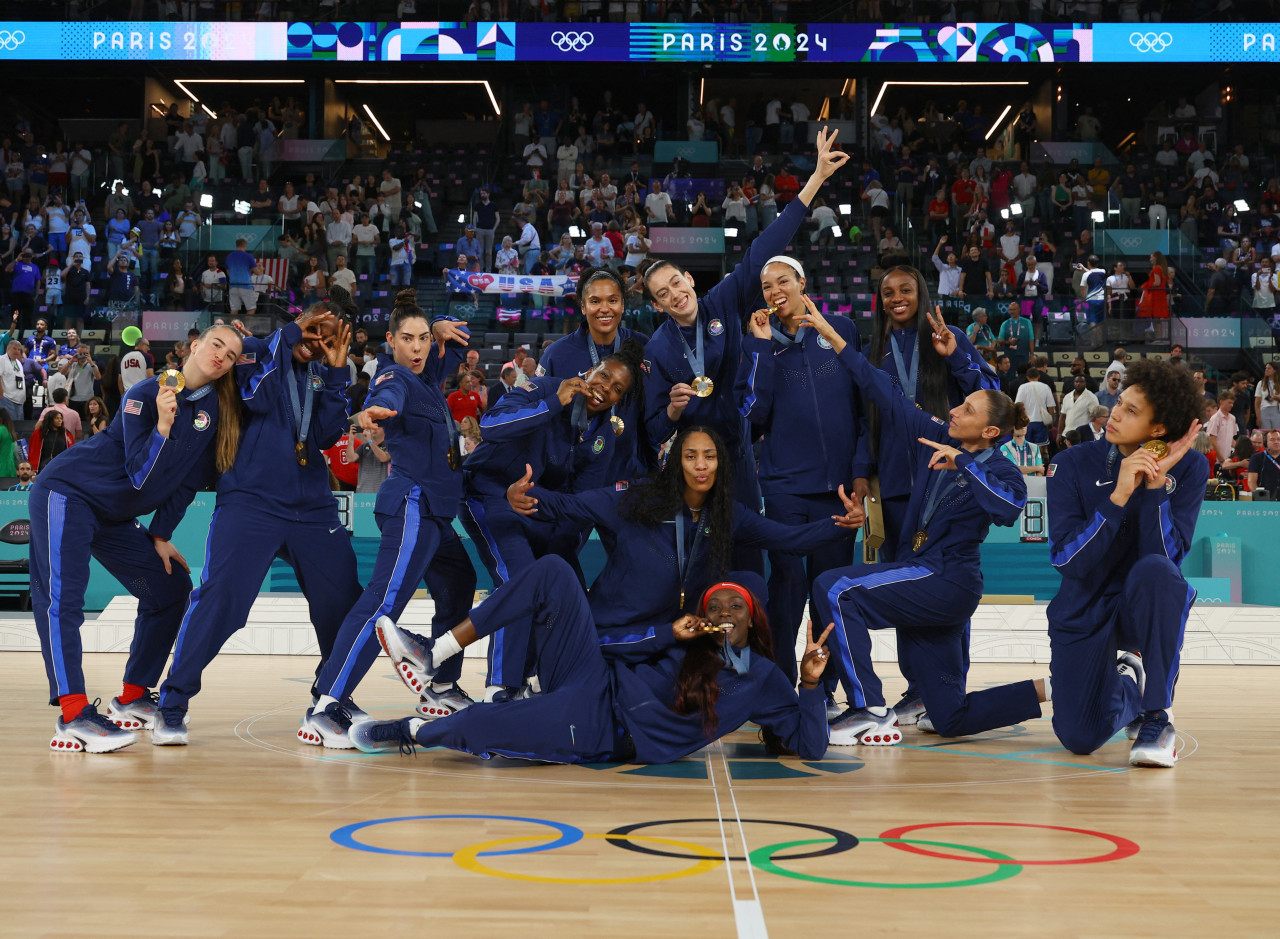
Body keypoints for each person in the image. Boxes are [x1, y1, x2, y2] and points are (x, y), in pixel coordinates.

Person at [801, 299, 1043, 744]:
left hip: (947, 578)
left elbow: (1008, 510)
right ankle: (1053, 689)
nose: (954, 411)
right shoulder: (933, 437)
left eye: (967, 410)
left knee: (834, 588)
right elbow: (883, 392)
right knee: (949, 717)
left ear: (990, 432)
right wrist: (833, 338)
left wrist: (965, 464)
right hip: (932, 583)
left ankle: (869, 709)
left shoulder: (1001, 469)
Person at [354, 556, 834, 764]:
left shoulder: (764, 676)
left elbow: (810, 747)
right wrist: (667, 632)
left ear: (753, 618)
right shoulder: (684, 638)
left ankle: (410, 732)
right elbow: (605, 644)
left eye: (736, 607)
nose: (723, 613)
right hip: (591, 676)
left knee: (484, 723)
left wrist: (811, 685)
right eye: (715, 605)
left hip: (604, 727)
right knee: (552, 572)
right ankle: (435, 653)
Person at [640, 126, 850, 573]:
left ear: (690, 280)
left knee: (752, 563)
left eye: (676, 282)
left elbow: (765, 247)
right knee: (697, 564)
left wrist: (814, 180)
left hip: (737, 458)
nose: (674, 294)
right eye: (663, 294)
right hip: (694, 463)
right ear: (657, 305)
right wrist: (675, 411)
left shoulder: (723, 301)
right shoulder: (659, 349)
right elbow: (654, 428)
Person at [154, 307, 365, 743]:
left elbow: (325, 434)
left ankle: (332, 695)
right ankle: (172, 702)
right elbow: (258, 397)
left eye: (326, 337)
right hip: (252, 502)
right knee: (223, 601)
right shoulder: (252, 351)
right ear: (299, 323)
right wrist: (286, 340)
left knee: (342, 601)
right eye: (312, 329)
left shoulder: (322, 373)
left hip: (313, 507)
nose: (316, 340)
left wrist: (340, 370)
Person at [29, 325, 242, 753]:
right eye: (216, 344)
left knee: (169, 586)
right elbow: (139, 473)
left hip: (114, 515)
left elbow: (185, 483)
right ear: (194, 346)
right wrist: (163, 427)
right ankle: (72, 714)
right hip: (67, 494)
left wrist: (161, 534)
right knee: (62, 600)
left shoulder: (211, 413)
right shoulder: (145, 394)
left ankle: (131, 697)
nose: (222, 356)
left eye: (233, 355)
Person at [505, 425, 862, 655]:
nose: (701, 466)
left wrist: (842, 525)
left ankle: (731, 668)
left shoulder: (727, 513)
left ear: (721, 465)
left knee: (750, 583)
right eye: (691, 457)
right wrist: (527, 496)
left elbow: (789, 539)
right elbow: (573, 506)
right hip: (616, 629)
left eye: (709, 457)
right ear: (677, 464)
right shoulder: (637, 499)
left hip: (674, 632)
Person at [300, 292, 478, 746]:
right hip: (412, 506)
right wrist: (376, 406)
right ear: (390, 341)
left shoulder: (427, 379)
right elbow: (389, 388)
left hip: (436, 513)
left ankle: (439, 687)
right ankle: (326, 705)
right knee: (384, 602)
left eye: (422, 339)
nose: (417, 347)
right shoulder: (396, 375)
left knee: (459, 580)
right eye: (407, 339)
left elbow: (448, 351)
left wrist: (438, 325)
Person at [460, 341, 647, 699]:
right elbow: (493, 425)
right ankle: (501, 687)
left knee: (566, 588)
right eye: (604, 376)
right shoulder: (543, 387)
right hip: (487, 492)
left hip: (533, 507)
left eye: (617, 388)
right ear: (589, 372)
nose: (606, 387)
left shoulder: (603, 436)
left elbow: (580, 505)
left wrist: (558, 538)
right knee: (519, 579)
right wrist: (553, 404)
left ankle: (538, 679)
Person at [1045, 360, 1207, 767]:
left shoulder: (1189, 467)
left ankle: (1157, 716)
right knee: (1079, 737)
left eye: (1131, 411)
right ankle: (1128, 690)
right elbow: (1067, 561)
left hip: (1141, 602)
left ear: (1157, 430)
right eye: (1120, 402)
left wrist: (1154, 488)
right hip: (1084, 604)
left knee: (1158, 573)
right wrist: (1117, 497)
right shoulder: (1071, 463)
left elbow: (1168, 560)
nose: (1115, 413)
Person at [736, 257, 867, 694]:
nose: (775, 291)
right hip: (785, 488)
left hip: (839, 492)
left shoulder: (841, 330)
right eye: (767, 285)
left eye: (783, 281)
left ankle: (823, 689)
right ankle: (776, 686)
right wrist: (757, 349)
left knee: (829, 594)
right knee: (787, 591)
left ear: (802, 282)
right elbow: (753, 415)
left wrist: (862, 472)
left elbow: (863, 404)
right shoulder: (758, 342)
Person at [537, 267, 652, 483]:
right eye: (595, 301)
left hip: (628, 477)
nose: (605, 309)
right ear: (583, 306)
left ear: (623, 305)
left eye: (612, 300)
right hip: (571, 480)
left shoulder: (643, 348)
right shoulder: (557, 355)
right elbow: (540, 416)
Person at [1015, 366, 1056, 454]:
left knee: (1026, 447)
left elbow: (1018, 406)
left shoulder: (1022, 387)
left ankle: (1028, 465)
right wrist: (1050, 423)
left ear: (1027, 377)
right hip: (1041, 421)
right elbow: (1051, 407)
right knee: (1040, 447)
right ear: (1039, 376)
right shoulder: (1045, 387)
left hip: (1026, 422)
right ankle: (1039, 465)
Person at [1001, 406, 1044, 475]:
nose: (1023, 428)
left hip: (1033, 484)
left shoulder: (1035, 447)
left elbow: (1041, 471)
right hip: (1014, 484)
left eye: (1025, 425)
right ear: (1012, 428)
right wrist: (1037, 468)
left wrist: (1037, 483)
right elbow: (1014, 470)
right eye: (1019, 426)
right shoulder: (1005, 448)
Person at [1248, 428, 1280, 494]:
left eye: (1278, 439)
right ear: (1266, 443)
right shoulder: (1256, 458)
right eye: (1272, 440)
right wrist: (1260, 498)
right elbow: (1251, 482)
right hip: (1264, 499)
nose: (1276, 442)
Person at [1255, 362, 1279, 431]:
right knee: (1265, 433)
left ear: (1275, 370)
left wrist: (1276, 397)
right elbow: (1257, 402)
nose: (1266, 370)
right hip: (1264, 410)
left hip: (1277, 410)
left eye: (1269, 368)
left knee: (1277, 432)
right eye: (1266, 368)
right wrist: (1258, 417)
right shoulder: (1261, 383)